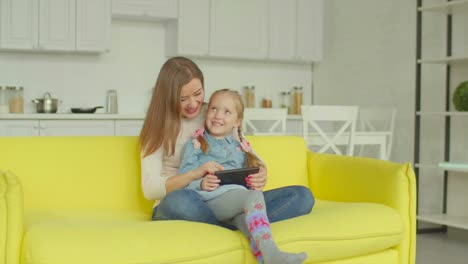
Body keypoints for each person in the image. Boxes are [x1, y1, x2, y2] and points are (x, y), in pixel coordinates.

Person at [139, 56, 314, 228]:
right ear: (167, 96)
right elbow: (151, 189)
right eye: (183, 99)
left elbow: (245, 148)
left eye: (198, 93)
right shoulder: (156, 127)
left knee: (301, 196)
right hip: (186, 201)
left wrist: (261, 172)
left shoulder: (215, 112)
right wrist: (195, 175)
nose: (193, 104)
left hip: (226, 198)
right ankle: (238, 224)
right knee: (178, 201)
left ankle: (230, 221)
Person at [179, 89, 307, 263]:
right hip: (210, 201)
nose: (218, 115)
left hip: (238, 202)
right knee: (254, 197)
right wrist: (201, 183)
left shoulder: (241, 147)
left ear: (237, 122)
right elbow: (184, 180)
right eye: (213, 109)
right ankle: (273, 254)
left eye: (227, 112)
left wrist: (256, 180)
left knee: (301, 195)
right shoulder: (195, 144)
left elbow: (251, 179)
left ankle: (263, 257)